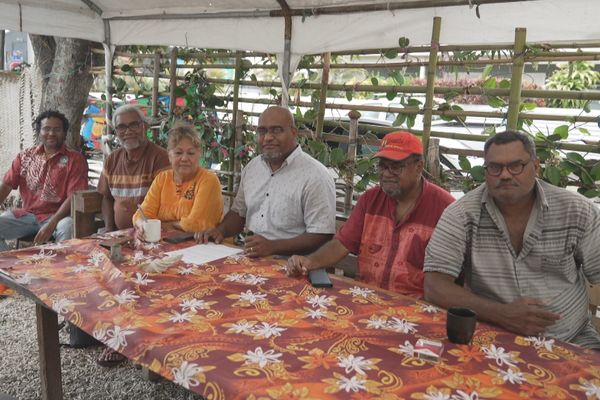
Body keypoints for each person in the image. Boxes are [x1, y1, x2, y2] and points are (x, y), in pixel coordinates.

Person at [424, 130, 600, 349]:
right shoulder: (461, 214)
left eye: (516, 166)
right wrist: (502, 314)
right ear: (485, 171)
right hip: (491, 340)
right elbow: (434, 286)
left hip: (571, 341)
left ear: (536, 167)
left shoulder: (576, 211)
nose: (505, 175)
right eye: (495, 168)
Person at [286, 131, 455, 298]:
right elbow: (341, 244)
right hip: (366, 298)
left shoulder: (445, 209)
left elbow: (448, 277)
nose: (386, 173)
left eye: (395, 167)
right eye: (382, 166)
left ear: (418, 167)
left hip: (415, 306)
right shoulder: (370, 200)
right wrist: (309, 262)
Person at [195, 106, 336, 257]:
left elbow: (322, 235)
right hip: (252, 258)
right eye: (262, 131)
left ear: (293, 132)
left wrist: (273, 247)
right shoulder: (253, 168)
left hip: (295, 266)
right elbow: (239, 213)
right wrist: (220, 231)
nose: (268, 137)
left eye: (276, 130)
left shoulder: (315, 176)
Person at [0, 110, 88, 251]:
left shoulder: (75, 159)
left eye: (57, 129)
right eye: (46, 129)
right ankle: (9, 270)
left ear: (65, 133)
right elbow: (6, 185)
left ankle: (58, 271)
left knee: (69, 227)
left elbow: (74, 196)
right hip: (27, 216)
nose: (51, 133)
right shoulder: (24, 157)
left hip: (60, 217)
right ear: (39, 132)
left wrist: (52, 223)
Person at [133, 123, 223, 236]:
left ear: (199, 155)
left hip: (203, 247)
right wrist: (142, 224)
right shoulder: (162, 178)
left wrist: (160, 225)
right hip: (166, 244)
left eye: (190, 153)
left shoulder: (208, 180)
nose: (184, 158)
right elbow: (141, 215)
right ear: (170, 156)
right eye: (178, 153)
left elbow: (196, 225)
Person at [96, 104, 170, 232]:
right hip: (119, 234)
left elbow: (167, 202)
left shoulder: (160, 158)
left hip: (153, 234)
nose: (128, 131)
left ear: (144, 126)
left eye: (134, 125)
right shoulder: (112, 160)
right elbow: (106, 198)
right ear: (116, 132)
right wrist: (108, 228)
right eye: (121, 127)